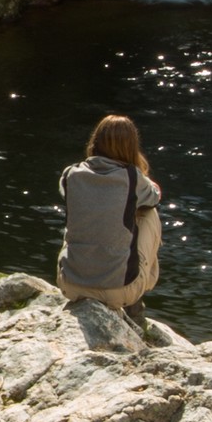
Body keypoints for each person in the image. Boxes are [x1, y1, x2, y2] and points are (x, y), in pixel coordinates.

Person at [57, 114, 161, 314]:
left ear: (95, 141)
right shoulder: (132, 177)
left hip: (70, 285)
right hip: (117, 292)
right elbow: (155, 196)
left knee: (79, 221)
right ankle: (136, 299)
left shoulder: (70, 174)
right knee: (149, 213)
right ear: (131, 146)